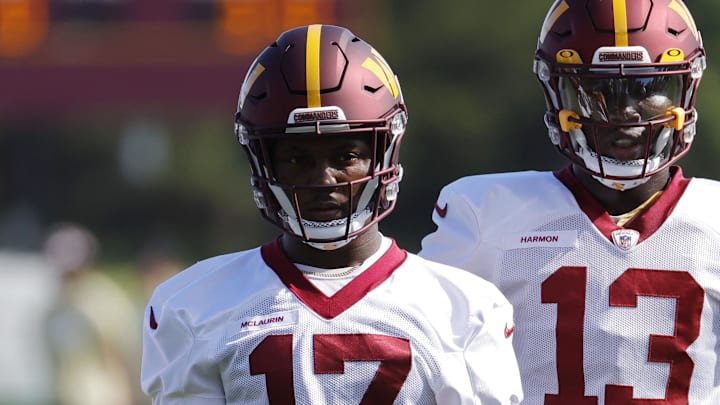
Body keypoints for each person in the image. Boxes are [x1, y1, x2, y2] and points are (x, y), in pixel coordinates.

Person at [141, 24, 523, 404]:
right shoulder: (193, 305)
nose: (323, 178)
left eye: (347, 156)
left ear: (385, 151)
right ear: (264, 163)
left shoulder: (465, 309)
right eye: (296, 158)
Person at [419, 0, 719, 403]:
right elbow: (417, 361)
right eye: (597, 91)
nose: (625, 111)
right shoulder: (483, 215)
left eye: (648, 88)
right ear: (554, 92)